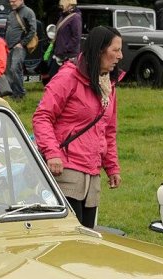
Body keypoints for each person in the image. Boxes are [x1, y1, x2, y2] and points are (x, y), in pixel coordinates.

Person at [32, 26, 124, 229]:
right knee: (66, 242)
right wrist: (52, 153)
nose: (120, 56)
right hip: (65, 171)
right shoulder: (68, 77)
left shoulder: (109, 85)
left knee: (87, 243)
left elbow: (108, 130)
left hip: (92, 176)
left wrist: (112, 167)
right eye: (115, 50)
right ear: (100, 50)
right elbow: (42, 116)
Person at [5, 0, 39, 100]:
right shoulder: (11, 14)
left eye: (14, 1)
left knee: (15, 68)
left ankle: (20, 94)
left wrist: (22, 43)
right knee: (9, 72)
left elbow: (33, 30)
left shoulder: (28, 12)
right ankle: (13, 94)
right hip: (9, 47)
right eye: (10, 2)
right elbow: (7, 29)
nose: (11, 4)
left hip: (19, 47)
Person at [46, 0, 82, 83]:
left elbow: (76, 37)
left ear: (69, 5)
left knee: (65, 79)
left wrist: (66, 49)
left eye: (62, 5)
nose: (60, 7)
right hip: (59, 54)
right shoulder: (62, 17)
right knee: (53, 77)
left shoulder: (76, 17)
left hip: (68, 56)